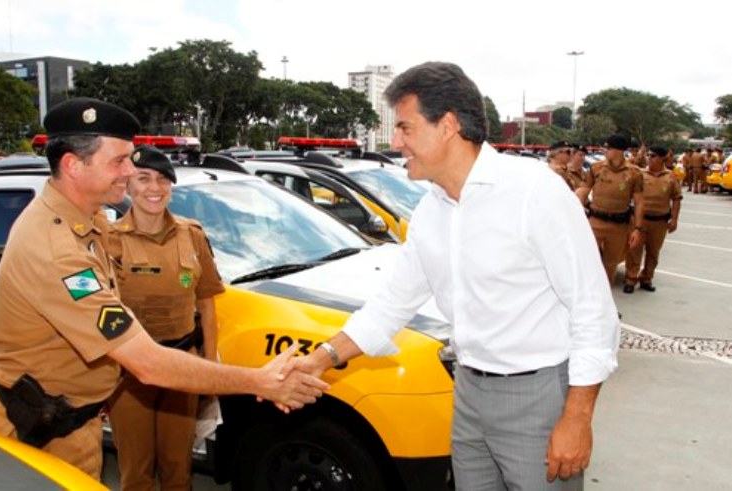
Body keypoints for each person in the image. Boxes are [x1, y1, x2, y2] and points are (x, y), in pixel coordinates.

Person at [281, 62, 619, 490]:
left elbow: (593, 310)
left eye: (405, 128)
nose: (395, 142)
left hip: (536, 398)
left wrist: (577, 418)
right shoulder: (432, 209)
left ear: (448, 125)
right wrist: (320, 359)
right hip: (468, 394)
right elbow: (391, 305)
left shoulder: (535, 192)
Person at [0, 98, 328, 478]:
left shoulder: (88, 222)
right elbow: (148, 364)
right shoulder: (56, 249)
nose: (129, 172)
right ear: (73, 165)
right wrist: (260, 382)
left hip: (69, 420)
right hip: (38, 433)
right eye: (119, 161)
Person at [104, 145, 224, 490]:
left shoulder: (192, 235)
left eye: (162, 179)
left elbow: (207, 306)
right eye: (143, 179)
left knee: (178, 470)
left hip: (181, 365)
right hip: (130, 374)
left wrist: (209, 369)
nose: (154, 188)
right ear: (128, 184)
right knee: (136, 473)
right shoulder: (109, 240)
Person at [576, 135, 645, 286]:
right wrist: (575, 211)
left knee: (610, 263)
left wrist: (637, 229)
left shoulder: (634, 173)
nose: (604, 150)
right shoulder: (596, 168)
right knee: (588, 259)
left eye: (608, 148)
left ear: (619, 150)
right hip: (595, 222)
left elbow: (639, 202)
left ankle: (605, 295)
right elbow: (584, 189)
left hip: (618, 226)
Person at [623, 146, 682, 293]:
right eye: (649, 155)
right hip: (639, 220)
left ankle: (646, 278)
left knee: (653, 252)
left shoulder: (671, 176)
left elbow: (676, 199)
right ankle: (630, 279)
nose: (649, 158)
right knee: (634, 250)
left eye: (653, 156)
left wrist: (674, 220)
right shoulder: (640, 174)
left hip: (659, 222)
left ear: (662, 158)